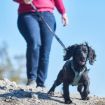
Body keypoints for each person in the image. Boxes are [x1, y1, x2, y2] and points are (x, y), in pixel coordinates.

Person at [13, 0, 68, 88]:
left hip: (48, 15)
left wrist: (63, 12)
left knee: (45, 50)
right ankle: (32, 79)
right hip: (27, 13)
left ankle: (41, 83)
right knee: (35, 42)